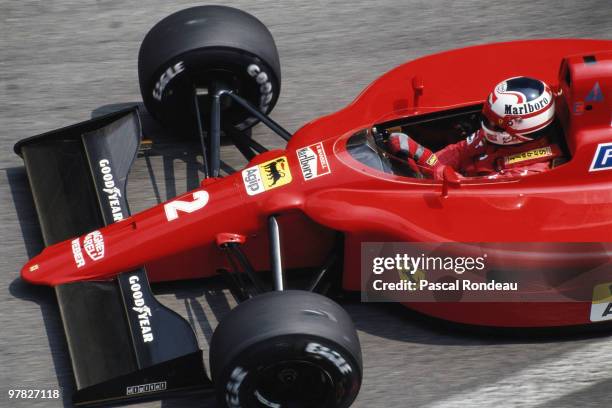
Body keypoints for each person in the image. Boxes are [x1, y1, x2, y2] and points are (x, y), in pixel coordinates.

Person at [386, 76, 563, 180]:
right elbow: (459, 151)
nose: (485, 124)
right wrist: (426, 159)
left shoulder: (528, 174)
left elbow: (471, 192)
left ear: (515, 131)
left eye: (494, 122)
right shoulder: (496, 138)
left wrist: (427, 161)